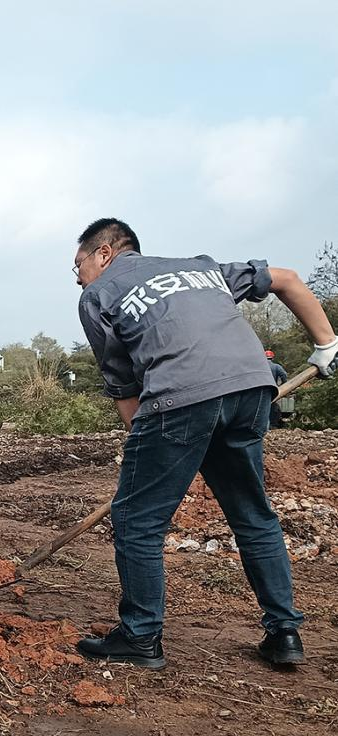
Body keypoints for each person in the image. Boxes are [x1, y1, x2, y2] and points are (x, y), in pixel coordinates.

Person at [72, 218, 338, 670]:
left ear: (104, 253)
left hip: (179, 398)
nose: (77, 278)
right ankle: (284, 633)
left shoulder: (98, 294)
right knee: (252, 514)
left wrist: (149, 451)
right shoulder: (200, 267)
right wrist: (326, 344)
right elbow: (287, 279)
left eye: (78, 265)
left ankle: (141, 637)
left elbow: (122, 385)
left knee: (137, 520)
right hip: (250, 390)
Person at [264, 351, 289, 429]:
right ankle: (272, 425)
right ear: (272, 357)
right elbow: (284, 375)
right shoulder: (276, 367)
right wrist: (283, 385)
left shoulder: (259, 367)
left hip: (260, 390)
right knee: (272, 407)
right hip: (272, 390)